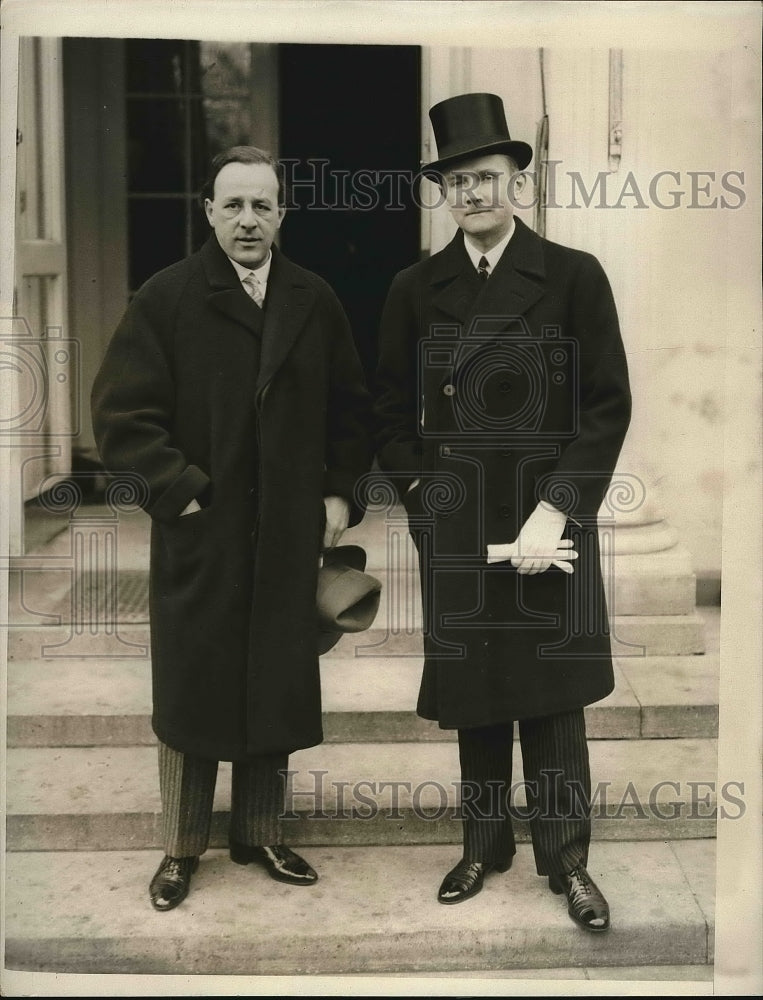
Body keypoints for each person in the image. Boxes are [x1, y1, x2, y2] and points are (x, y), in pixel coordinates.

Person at [374, 93, 631, 932]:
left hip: (544, 520)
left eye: (485, 176)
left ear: (516, 177)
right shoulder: (416, 288)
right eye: (456, 180)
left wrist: (557, 510)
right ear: (444, 190)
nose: (472, 193)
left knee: (551, 696)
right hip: (459, 520)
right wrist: (422, 502)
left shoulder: (572, 276)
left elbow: (605, 408)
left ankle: (570, 862)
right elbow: (386, 411)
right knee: (476, 689)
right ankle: (481, 846)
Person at [92, 145, 372, 911]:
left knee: (273, 680)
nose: (248, 221)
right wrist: (181, 494)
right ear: (208, 212)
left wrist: (341, 494)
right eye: (233, 206)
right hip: (202, 536)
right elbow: (121, 416)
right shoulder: (167, 297)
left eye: (262, 206)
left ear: (282, 214)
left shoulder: (313, 299)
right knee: (194, 692)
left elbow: (353, 412)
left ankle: (261, 834)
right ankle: (181, 850)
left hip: (286, 538)